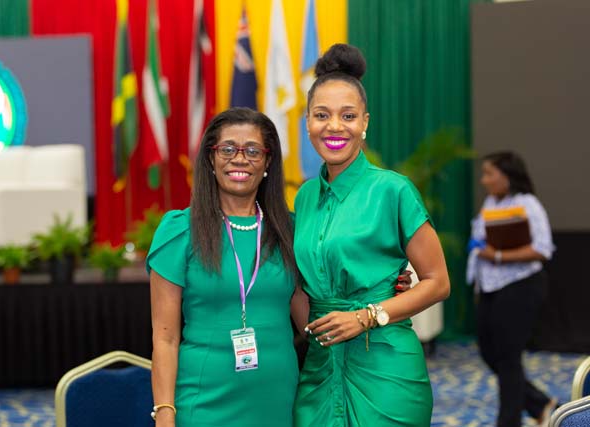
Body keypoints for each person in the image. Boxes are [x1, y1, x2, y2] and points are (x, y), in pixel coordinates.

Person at [147, 107, 413, 427]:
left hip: (278, 402)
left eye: (253, 151)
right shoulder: (179, 231)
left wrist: (379, 288)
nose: (239, 159)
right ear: (210, 159)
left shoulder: (291, 231)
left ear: (268, 162)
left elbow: (314, 324)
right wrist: (165, 413)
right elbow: (165, 340)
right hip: (203, 402)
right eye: (228, 149)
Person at [292, 43, 451, 427]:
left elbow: (438, 282)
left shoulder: (393, 190)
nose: (334, 126)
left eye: (348, 115)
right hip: (320, 365)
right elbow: (302, 283)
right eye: (321, 115)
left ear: (365, 122)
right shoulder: (305, 196)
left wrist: (367, 316)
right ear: (307, 123)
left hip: (385, 364)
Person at [467, 151, 557, 427]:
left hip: (521, 285)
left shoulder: (528, 204)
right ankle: (541, 404)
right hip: (490, 287)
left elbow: (542, 249)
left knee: (508, 357)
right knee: (489, 352)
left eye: (489, 174)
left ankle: (508, 422)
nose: (484, 180)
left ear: (507, 176)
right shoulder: (491, 203)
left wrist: (497, 255)